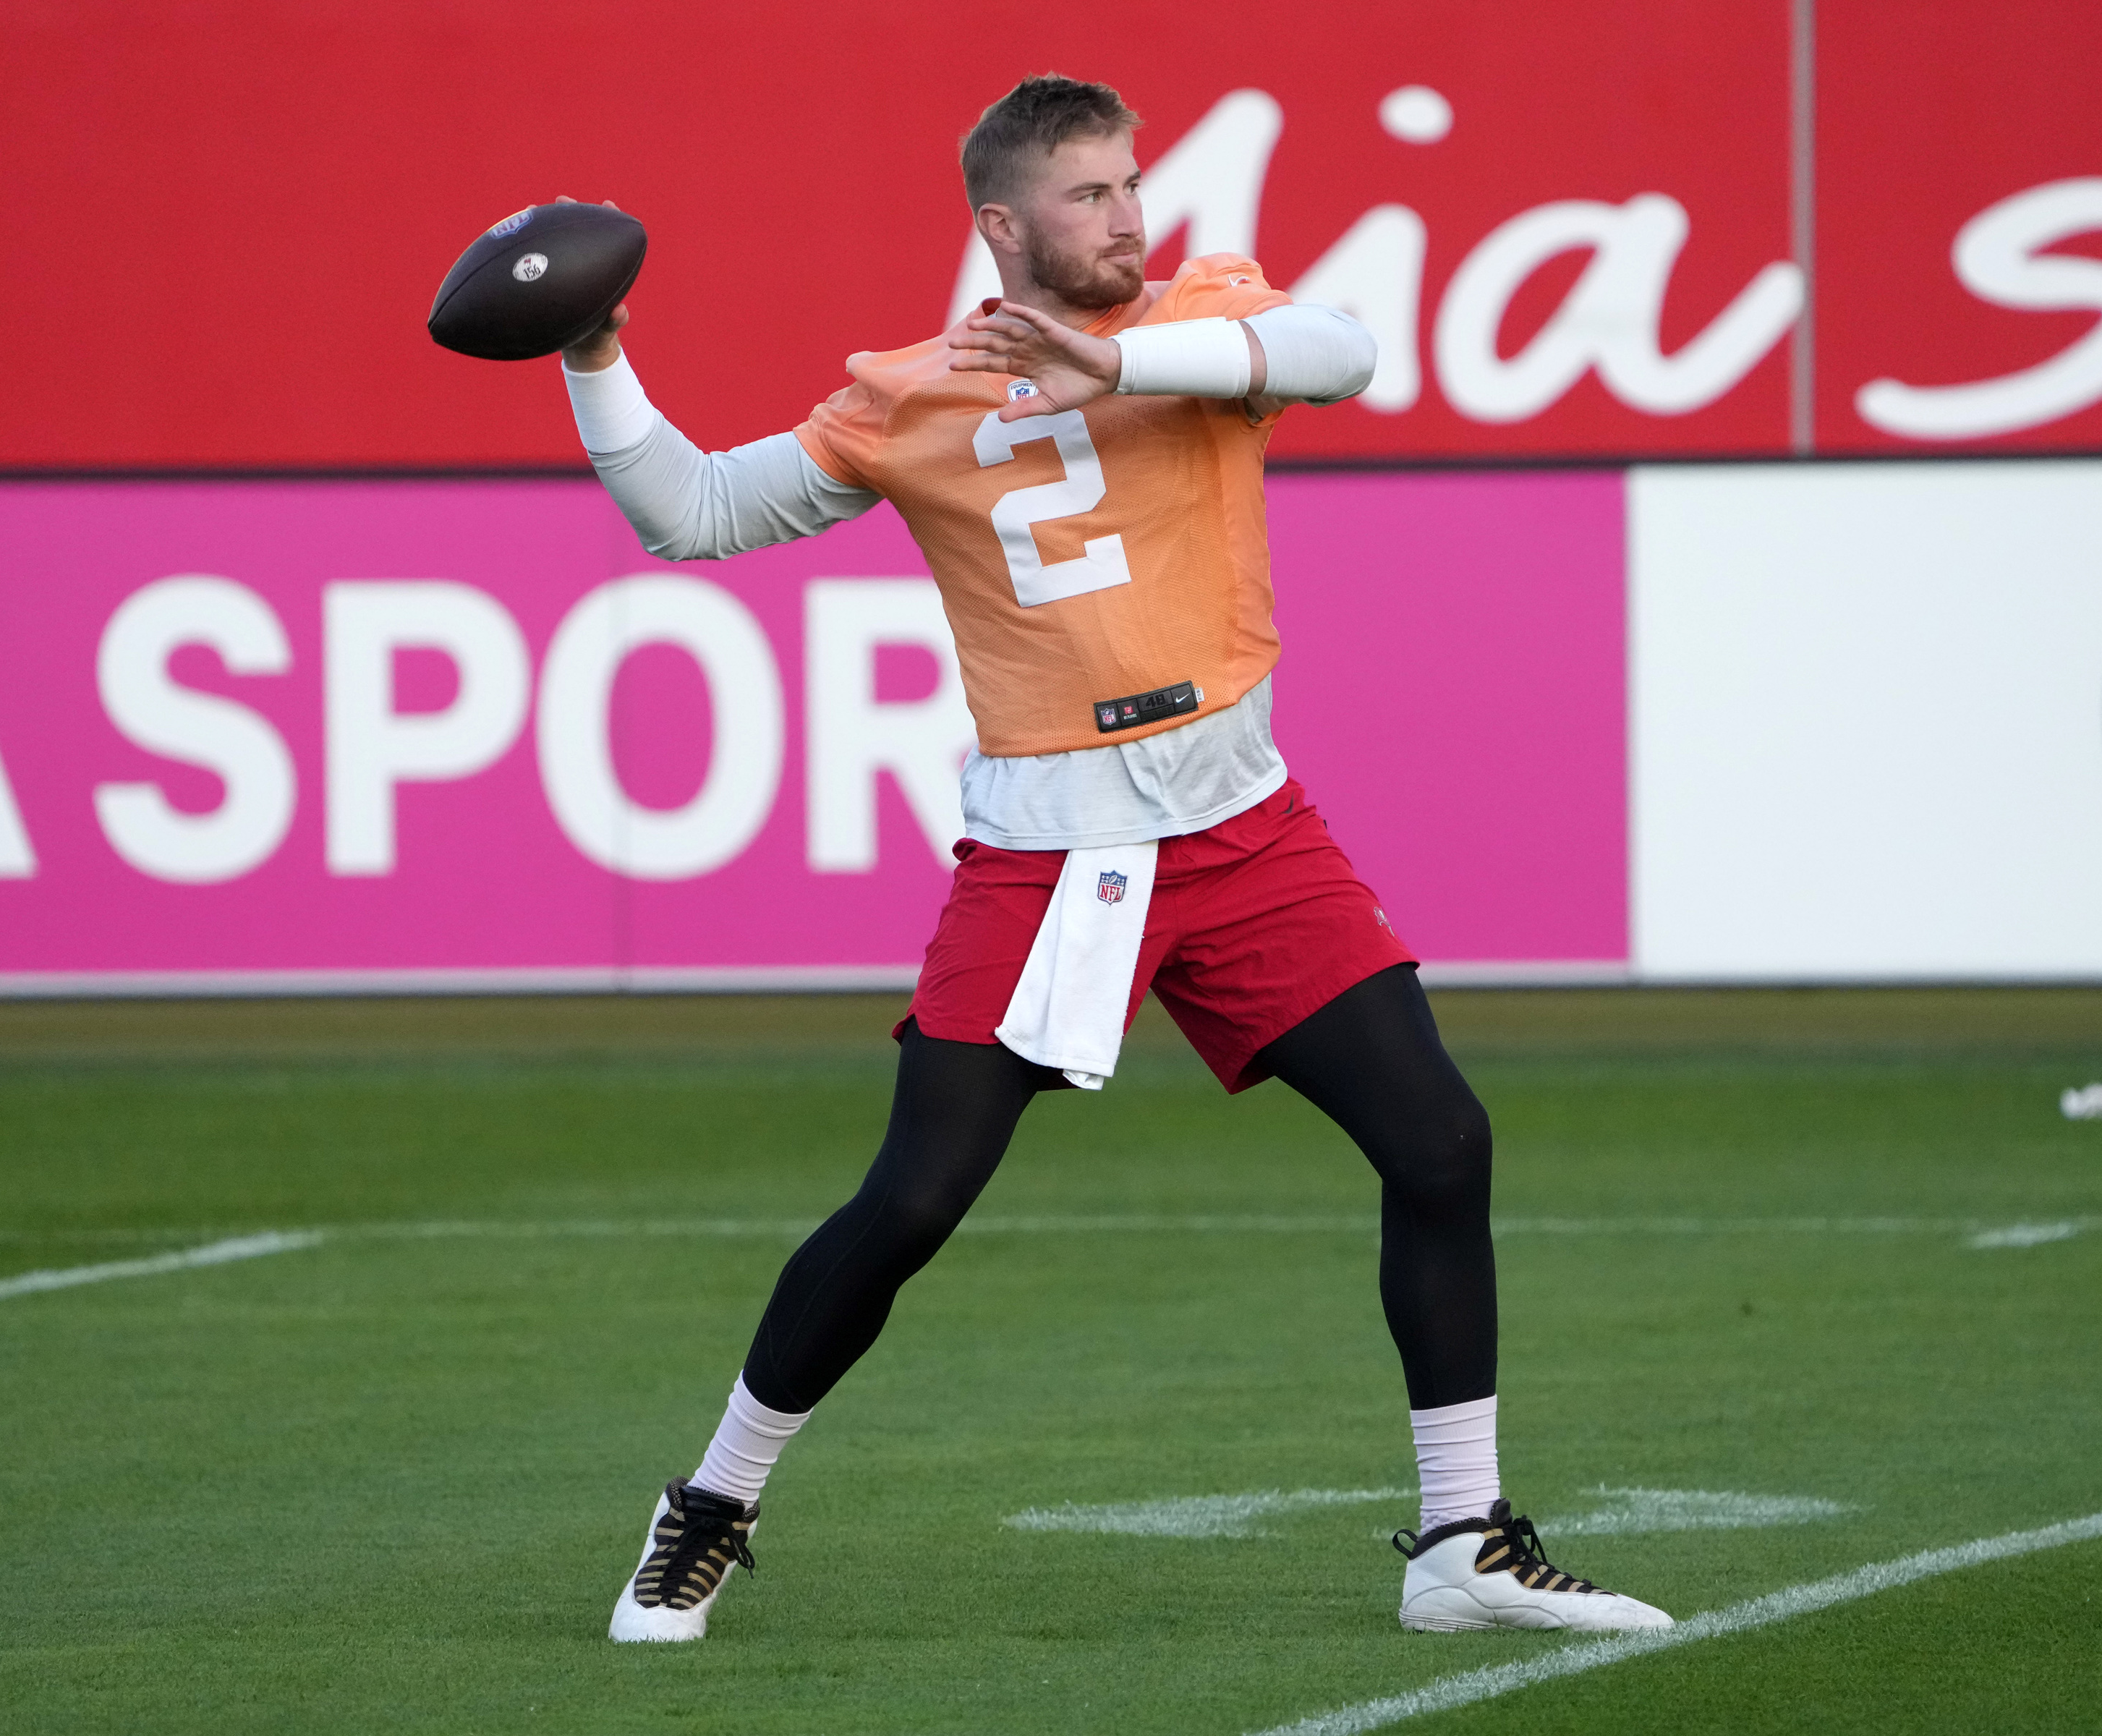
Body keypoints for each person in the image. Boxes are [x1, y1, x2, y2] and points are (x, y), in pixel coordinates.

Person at [557, 74, 1672, 1643]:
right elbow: (695, 515)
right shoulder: (913, 390)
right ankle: (711, 1507)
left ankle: (1460, 1544)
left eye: (1133, 184)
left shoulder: (1205, 324)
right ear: (1003, 227)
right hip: (1046, 846)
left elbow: (1347, 350)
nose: (1130, 216)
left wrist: (1116, 357)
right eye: (1089, 196)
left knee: (1441, 1143)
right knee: (914, 1201)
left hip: (1240, 828)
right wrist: (596, 356)